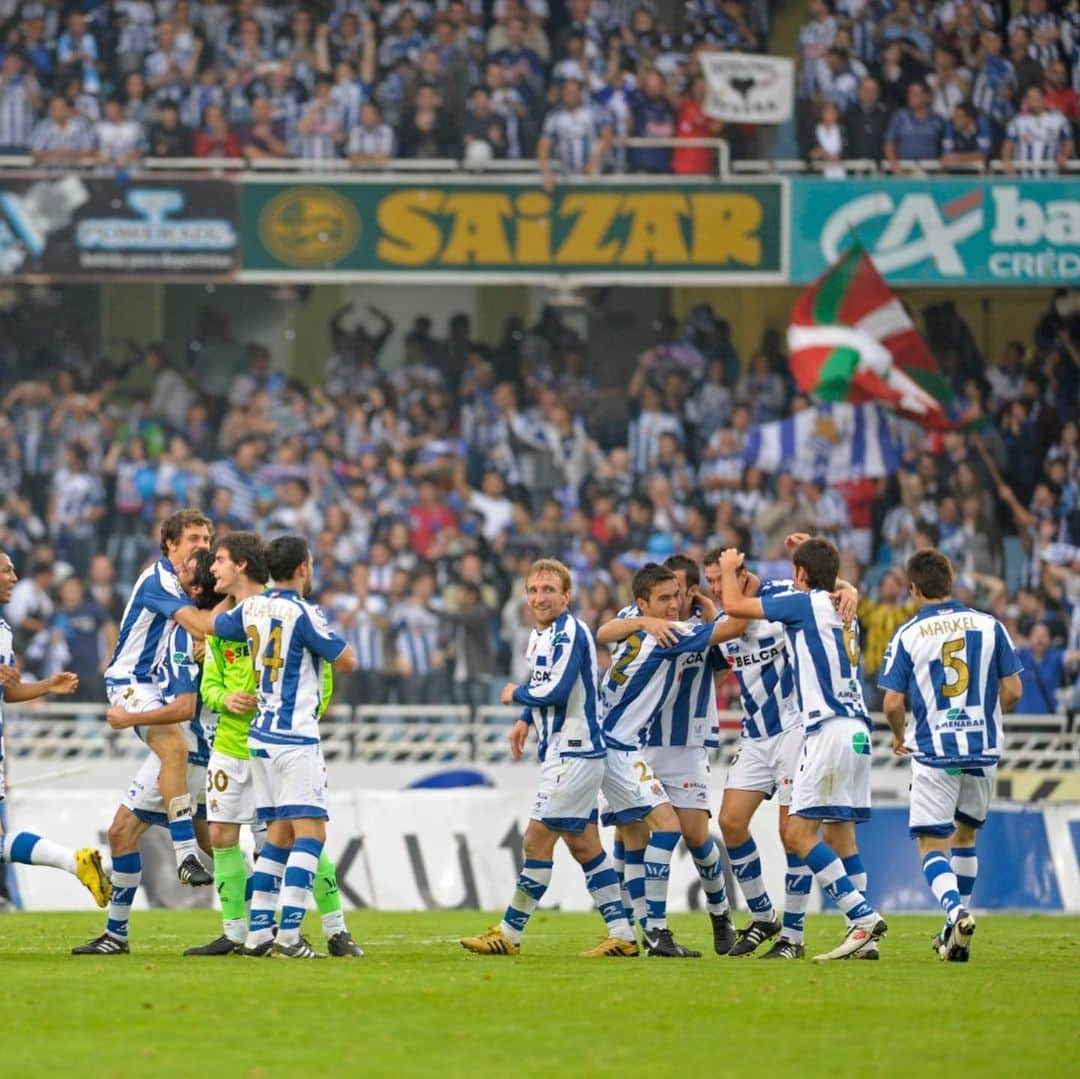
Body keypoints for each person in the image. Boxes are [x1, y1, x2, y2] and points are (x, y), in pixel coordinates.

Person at [185, 532, 363, 958]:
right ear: (303, 567)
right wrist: (226, 697)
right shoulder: (300, 612)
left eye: (220, 560)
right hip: (279, 739)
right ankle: (281, 935)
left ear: (244, 565)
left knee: (279, 837)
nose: (213, 568)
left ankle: (278, 932)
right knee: (307, 833)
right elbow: (344, 661)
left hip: (260, 738)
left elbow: (212, 626)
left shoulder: (248, 612)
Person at [718, 538, 888, 961]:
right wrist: (844, 581)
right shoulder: (846, 609)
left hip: (826, 729)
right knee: (841, 838)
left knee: (797, 834)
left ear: (800, 575)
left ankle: (862, 918)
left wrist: (726, 567)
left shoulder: (804, 603)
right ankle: (863, 941)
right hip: (859, 730)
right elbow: (831, 584)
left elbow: (736, 607)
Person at [460, 558, 638, 958]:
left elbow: (554, 692)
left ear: (566, 595)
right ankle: (623, 933)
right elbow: (546, 684)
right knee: (584, 845)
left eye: (549, 591)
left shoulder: (570, 632)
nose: (540, 598)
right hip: (565, 751)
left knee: (536, 839)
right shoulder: (540, 635)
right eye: (534, 591)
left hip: (574, 752)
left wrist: (515, 697)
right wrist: (526, 718)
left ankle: (509, 932)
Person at [73, 548, 222, 955]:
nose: (181, 573)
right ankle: (253, 923)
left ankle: (243, 916)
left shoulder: (181, 635)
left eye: (190, 571)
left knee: (129, 833)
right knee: (219, 842)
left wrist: (127, 719)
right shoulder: (216, 630)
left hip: (186, 752)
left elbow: (183, 707)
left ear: (197, 587)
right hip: (211, 750)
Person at [879, 548, 1023, 961]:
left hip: (934, 750)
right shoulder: (990, 625)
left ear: (913, 588)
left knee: (930, 843)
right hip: (982, 750)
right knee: (965, 835)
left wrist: (896, 735)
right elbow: (1013, 690)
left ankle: (955, 912)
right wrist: (986, 717)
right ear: (951, 581)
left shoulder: (908, 634)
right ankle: (954, 930)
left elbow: (892, 703)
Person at [599, 562, 747, 957]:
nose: (675, 601)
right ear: (645, 600)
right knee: (636, 834)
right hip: (637, 742)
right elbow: (605, 630)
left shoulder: (685, 628)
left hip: (685, 741)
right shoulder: (655, 625)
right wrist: (648, 622)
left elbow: (722, 668)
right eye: (666, 595)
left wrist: (709, 612)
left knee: (695, 836)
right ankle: (645, 930)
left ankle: (717, 916)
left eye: (680, 594)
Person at [102, 508, 220, 887]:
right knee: (174, 748)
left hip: (164, 696)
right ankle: (185, 857)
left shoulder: (192, 585)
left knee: (122, 832)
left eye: (205, 540)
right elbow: (198, 623)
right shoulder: (161, 580)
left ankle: (115, 935)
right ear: (170, 543)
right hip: (131, 681)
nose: (201, 546)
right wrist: (212, 635)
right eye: (193, 539)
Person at [0, 550, 110, 912]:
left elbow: (8, 691)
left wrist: (47, 685)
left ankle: (73, 862)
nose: (14, 577)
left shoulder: (3, 632)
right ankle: (73, 862)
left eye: (15, 569)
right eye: (6, 570)